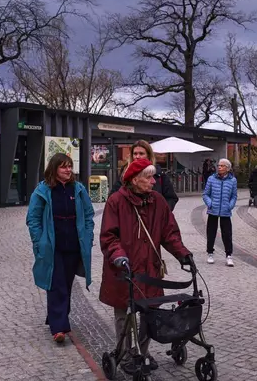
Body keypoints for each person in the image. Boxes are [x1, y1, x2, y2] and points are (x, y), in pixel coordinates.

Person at [100, 158, 192, 374]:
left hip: (149, 268)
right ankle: (124, 352)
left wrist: (183, 254)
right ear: (135, 179)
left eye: (153, 177)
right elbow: (109, 236)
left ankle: (143, 351)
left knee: (150, 312)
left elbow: (169, 233)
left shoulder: (157, 201)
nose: (153, 181)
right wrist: (119, 256)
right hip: (123, 269)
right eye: (149, 177)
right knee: (123, 313)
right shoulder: (116, 201)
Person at [26, 153, 94, 343]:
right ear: (54, 168)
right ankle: (59, 327)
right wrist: (39, 241)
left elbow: (89, 215)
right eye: (64, 166)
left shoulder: (78, 189)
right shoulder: (43, 191)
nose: (68, 170)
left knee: (66, 284)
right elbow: (33, 219)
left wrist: (87, 237)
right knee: (56, 285)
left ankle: (56, 316)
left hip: (73, 245)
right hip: (52, 246)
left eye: (70, 166)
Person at [109, 140, 178, 211]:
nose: (137, 157)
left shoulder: (159, 174)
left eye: (141, 154)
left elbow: (171, 198)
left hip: (153, 218)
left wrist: (161, 213)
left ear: (148, 155)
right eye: (135, 154)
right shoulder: (125, 172)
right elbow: (113, 196)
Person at [203, 158, 238, 266]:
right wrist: (210, 204)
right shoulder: (211, 179)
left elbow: (234, 196)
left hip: (225, 211)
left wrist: (230, 205)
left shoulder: (232, 180)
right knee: (211, 233)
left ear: (227, 168)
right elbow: (205, 194)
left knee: (227, 234)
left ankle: (229, 255)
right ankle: (210, 253)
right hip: (213, 210)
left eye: (222, 166)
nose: (219, 167)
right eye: (219, 165)